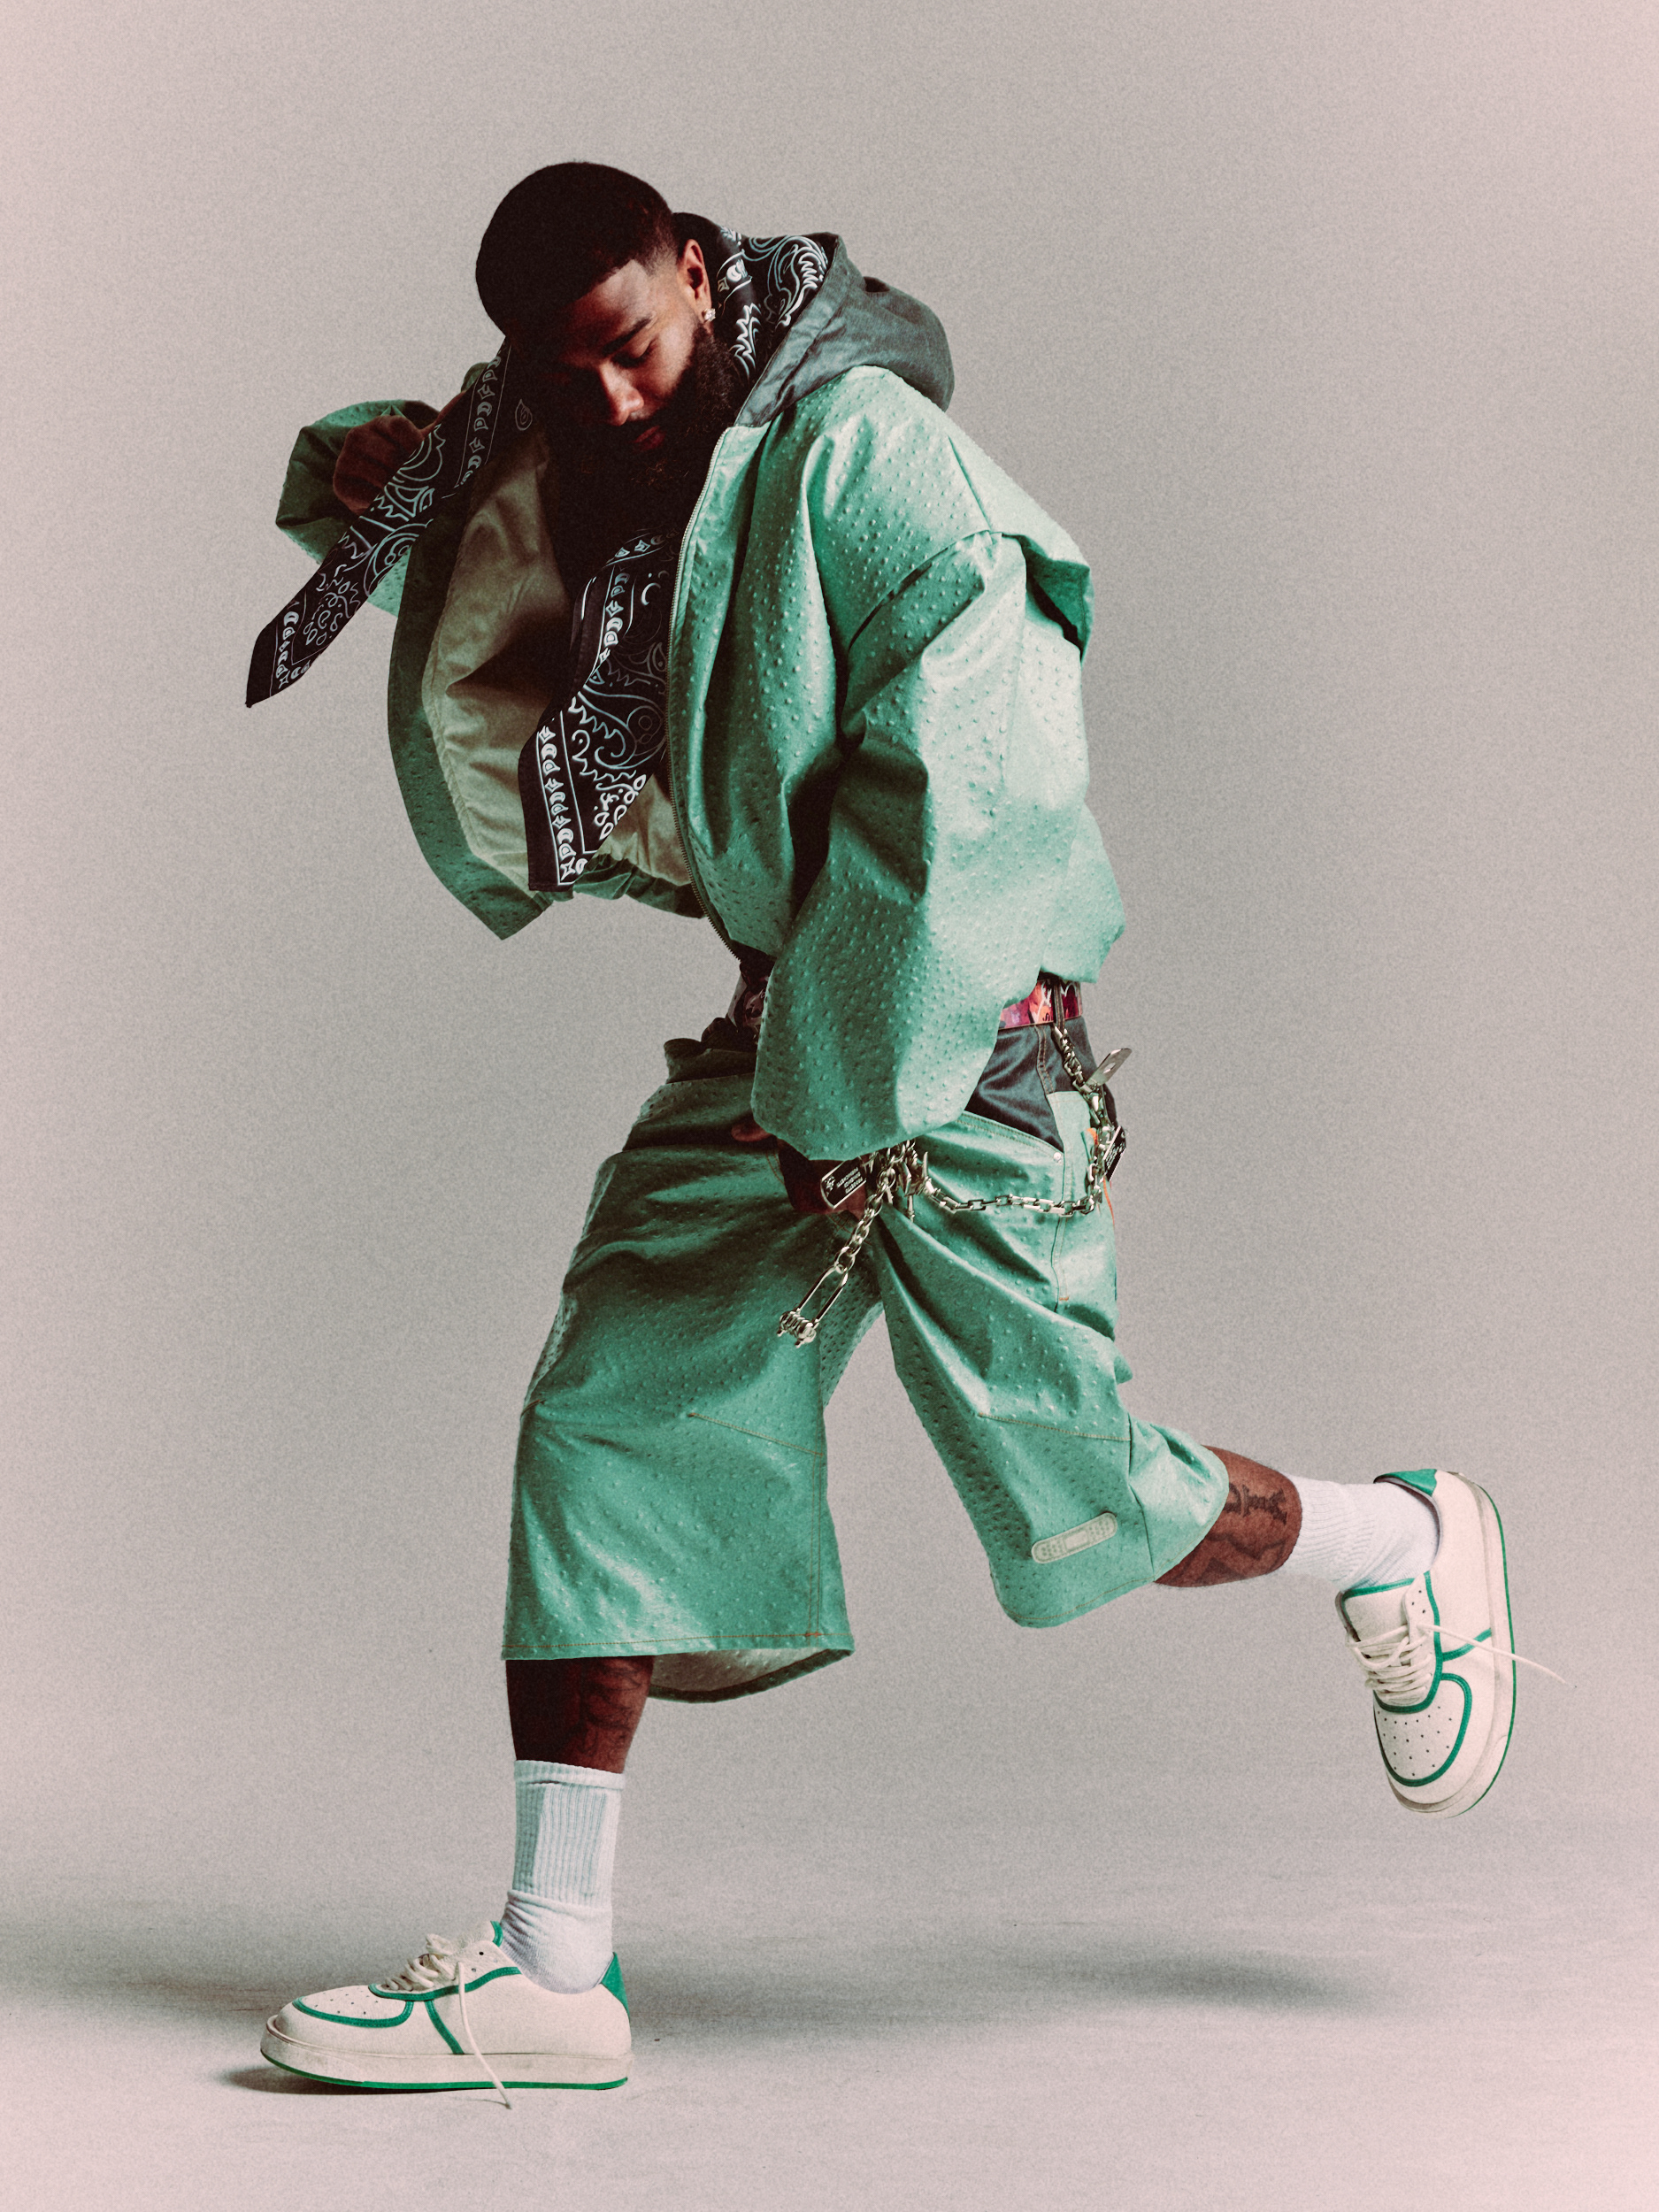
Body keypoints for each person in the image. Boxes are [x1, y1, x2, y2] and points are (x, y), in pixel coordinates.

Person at [249, 165, 1521, 2100]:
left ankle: (1399, 1537)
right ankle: (549, 1969)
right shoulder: (581, 426)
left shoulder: (877, 467)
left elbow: (973, 808)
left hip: (956, 1041)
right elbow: (453, 476)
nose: (607, 398)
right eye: (563, 370)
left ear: (696, 268)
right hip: (790, 1027)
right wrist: (377, 469)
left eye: (630, 346)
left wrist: (856, 1095)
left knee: (1080, 1484)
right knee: (605, 1418)